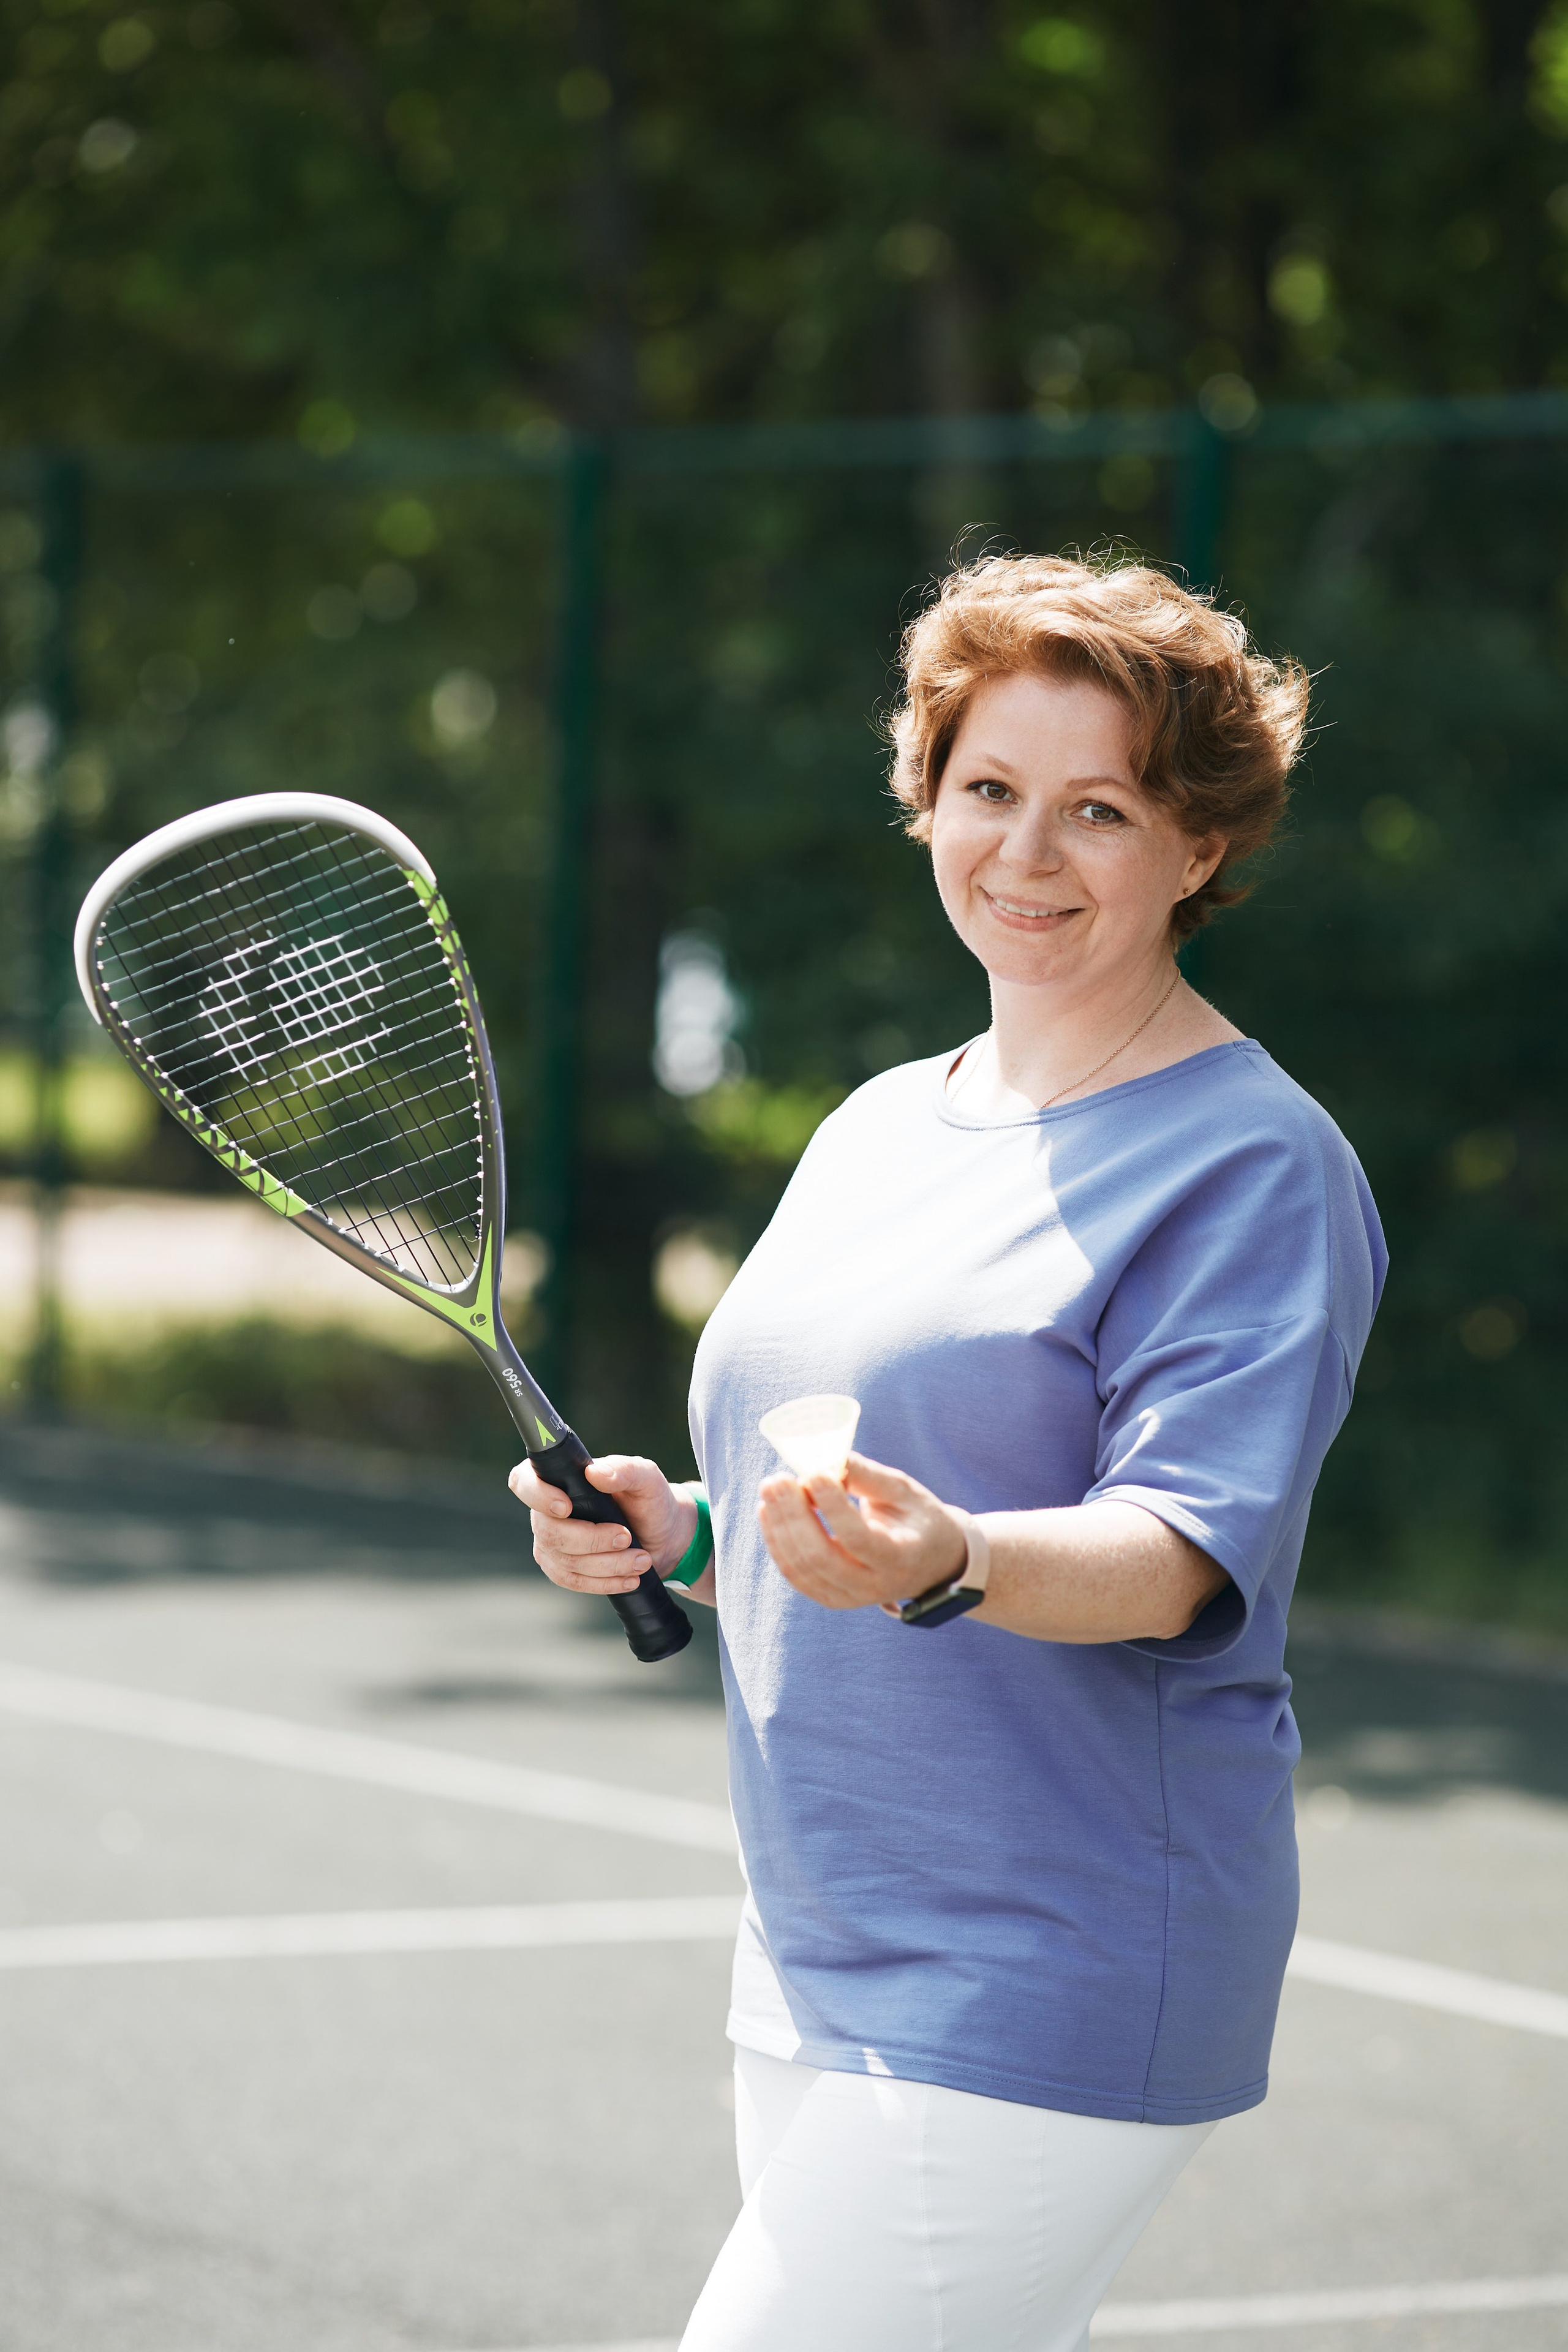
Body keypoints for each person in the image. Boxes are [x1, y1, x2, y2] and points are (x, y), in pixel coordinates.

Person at [511, 552, 1387, 2351]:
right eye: (988, 789)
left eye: (1100, 809)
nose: (1027, 852)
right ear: (929, 800)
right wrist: (683, 1537)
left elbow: (1178, 1554)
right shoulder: (876, 1126)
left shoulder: (1256, 1164)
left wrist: (956, 1561)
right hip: (817, 1938)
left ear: (1201, 844)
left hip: (1054, 1954)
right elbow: (843, 1496)